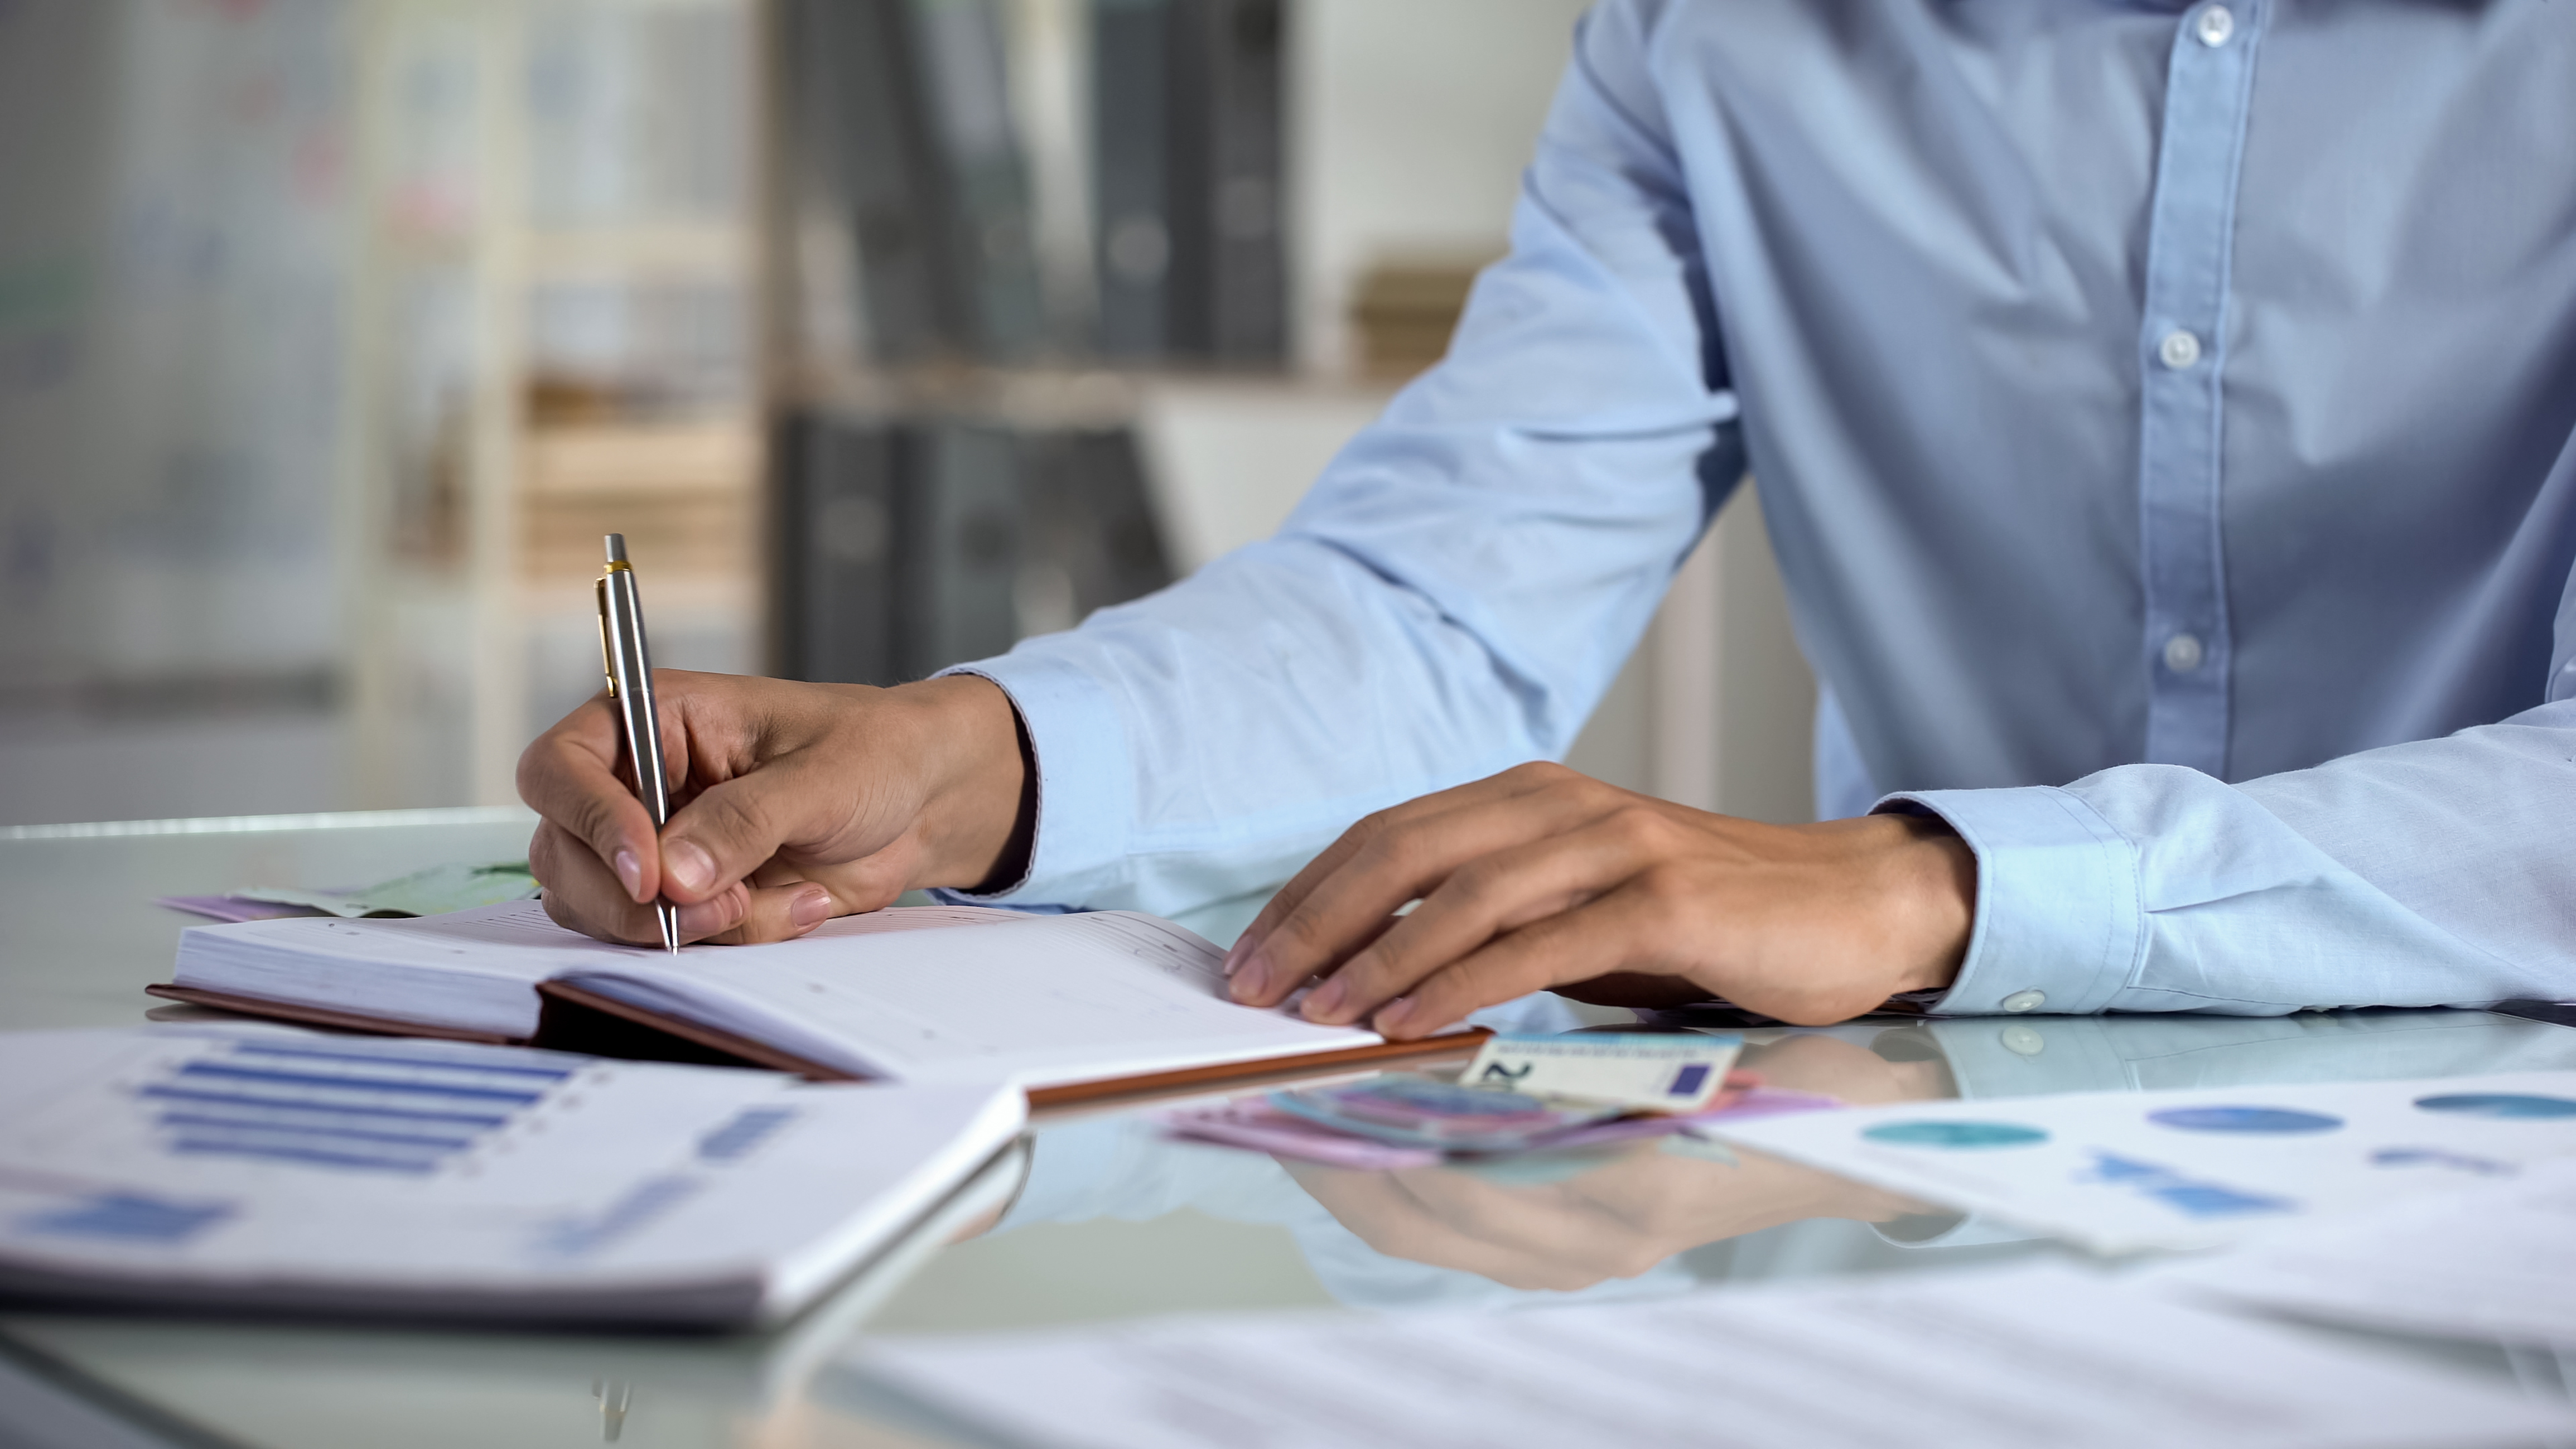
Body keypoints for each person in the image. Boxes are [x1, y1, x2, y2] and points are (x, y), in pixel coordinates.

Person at [521, 0, 2576, 1032]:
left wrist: (1940, 888)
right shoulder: (1718, 41)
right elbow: (1444, 604)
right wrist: (974, 762)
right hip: (1929, 1214)